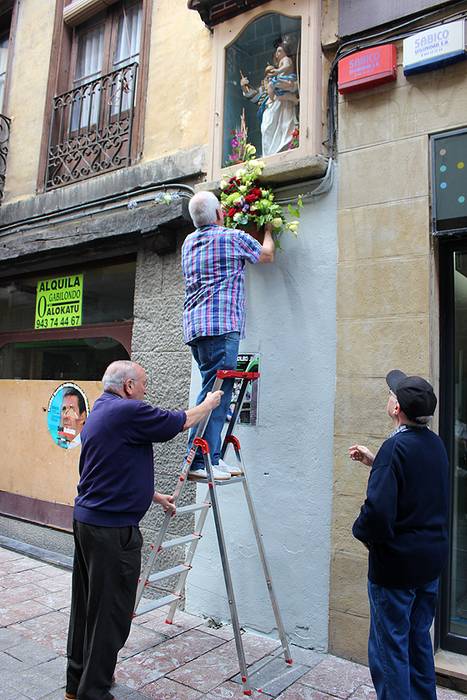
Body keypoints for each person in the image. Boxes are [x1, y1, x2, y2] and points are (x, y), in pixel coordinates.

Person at [65, 360, 222, 700]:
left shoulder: (101, 411)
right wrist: (209, 404)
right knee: (112, 613)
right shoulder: (126, 411)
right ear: (129, 386)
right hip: (111, 530)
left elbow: (109, 468)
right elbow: (177, 422)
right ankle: (94, 692)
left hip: (89, 522)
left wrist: (151, 495)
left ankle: (76, 684)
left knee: (86, 607)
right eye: (145, 384)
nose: (147, 390)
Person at [349, 369, 449, 700]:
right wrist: (376, 463)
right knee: (419, 642)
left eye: (391, 394)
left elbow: (377, 516)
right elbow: (417, 488)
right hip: (429, 563)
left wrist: (359, 531)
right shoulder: (435, 445)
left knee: (390, 651)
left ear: (396, 409)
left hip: (396, 569)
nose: (388, 396)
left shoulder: (395, 450)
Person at [182, 191, 274, 480]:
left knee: (212, 388)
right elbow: (266, 255)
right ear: (220, 213)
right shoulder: (231, 237)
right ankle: (201, 459)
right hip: (221, 326)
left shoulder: (188, 242)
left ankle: (208, 457)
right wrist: (268, 230)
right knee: (216, 393)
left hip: (196, 328)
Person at [240, 43, 299, 156]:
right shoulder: (264, 91)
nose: (269, 78)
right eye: (267, 77)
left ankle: (285, 148)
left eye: (271, 75)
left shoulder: (281, 82)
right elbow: (252, 95)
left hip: (283, 106)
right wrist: (244, 86)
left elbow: (293, 86)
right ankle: (270, 154)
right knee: (266, 129)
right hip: (269, 110)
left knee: (286, 126)